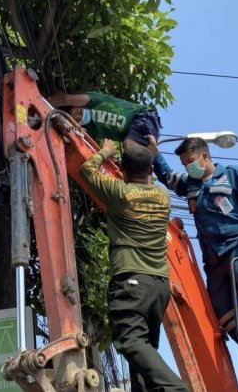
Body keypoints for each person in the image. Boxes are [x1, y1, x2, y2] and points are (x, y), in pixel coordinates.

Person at [148, 136, 238, 387]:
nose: (188, 168)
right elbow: (167, 176)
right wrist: (154, 153)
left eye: (191, 162)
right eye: (185, 164)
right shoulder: (191, 184)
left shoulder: (233, 175)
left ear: (205, 156)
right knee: (222, 314)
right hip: (213, 259)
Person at [80, 140, 189, 392]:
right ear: (151, 172)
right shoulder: (162, 196)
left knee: (129, 341)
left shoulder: (121, 193)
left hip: (131, 282)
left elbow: (88, 170)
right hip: (159, 287)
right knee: (142, 355)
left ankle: (176, 389)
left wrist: (105, 151)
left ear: (123, 170)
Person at [49, 92, 162, 149]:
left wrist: (43, 103)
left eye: (77, 110)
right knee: (134, 159)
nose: (79, 114)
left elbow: (66, 99)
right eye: (76, 118)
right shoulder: (88, 131)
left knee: (129, 146)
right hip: (137, 136)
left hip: (144, 117)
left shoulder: (95, 100)